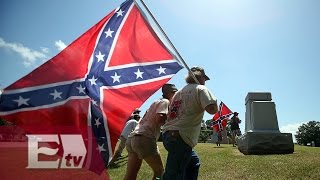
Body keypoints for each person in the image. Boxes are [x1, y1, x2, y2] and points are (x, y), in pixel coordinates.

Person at [162, 66, 218, 180]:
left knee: (193, 163)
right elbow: (212, 109)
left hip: (168, 134)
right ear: (200, 77)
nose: (205, 81)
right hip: (181, 136)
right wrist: (214, 100)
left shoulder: (178, 92)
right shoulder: (201, 89)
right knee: (173, 175)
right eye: (204, 78)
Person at [124, 84, 178, 180]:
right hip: (145, 138)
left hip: (133, 138)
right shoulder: (165, 102)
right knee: (159, 172)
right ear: (170, 93)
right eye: (175, 93)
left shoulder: (155, 102)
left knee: (131, 175)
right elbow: (160, 118)